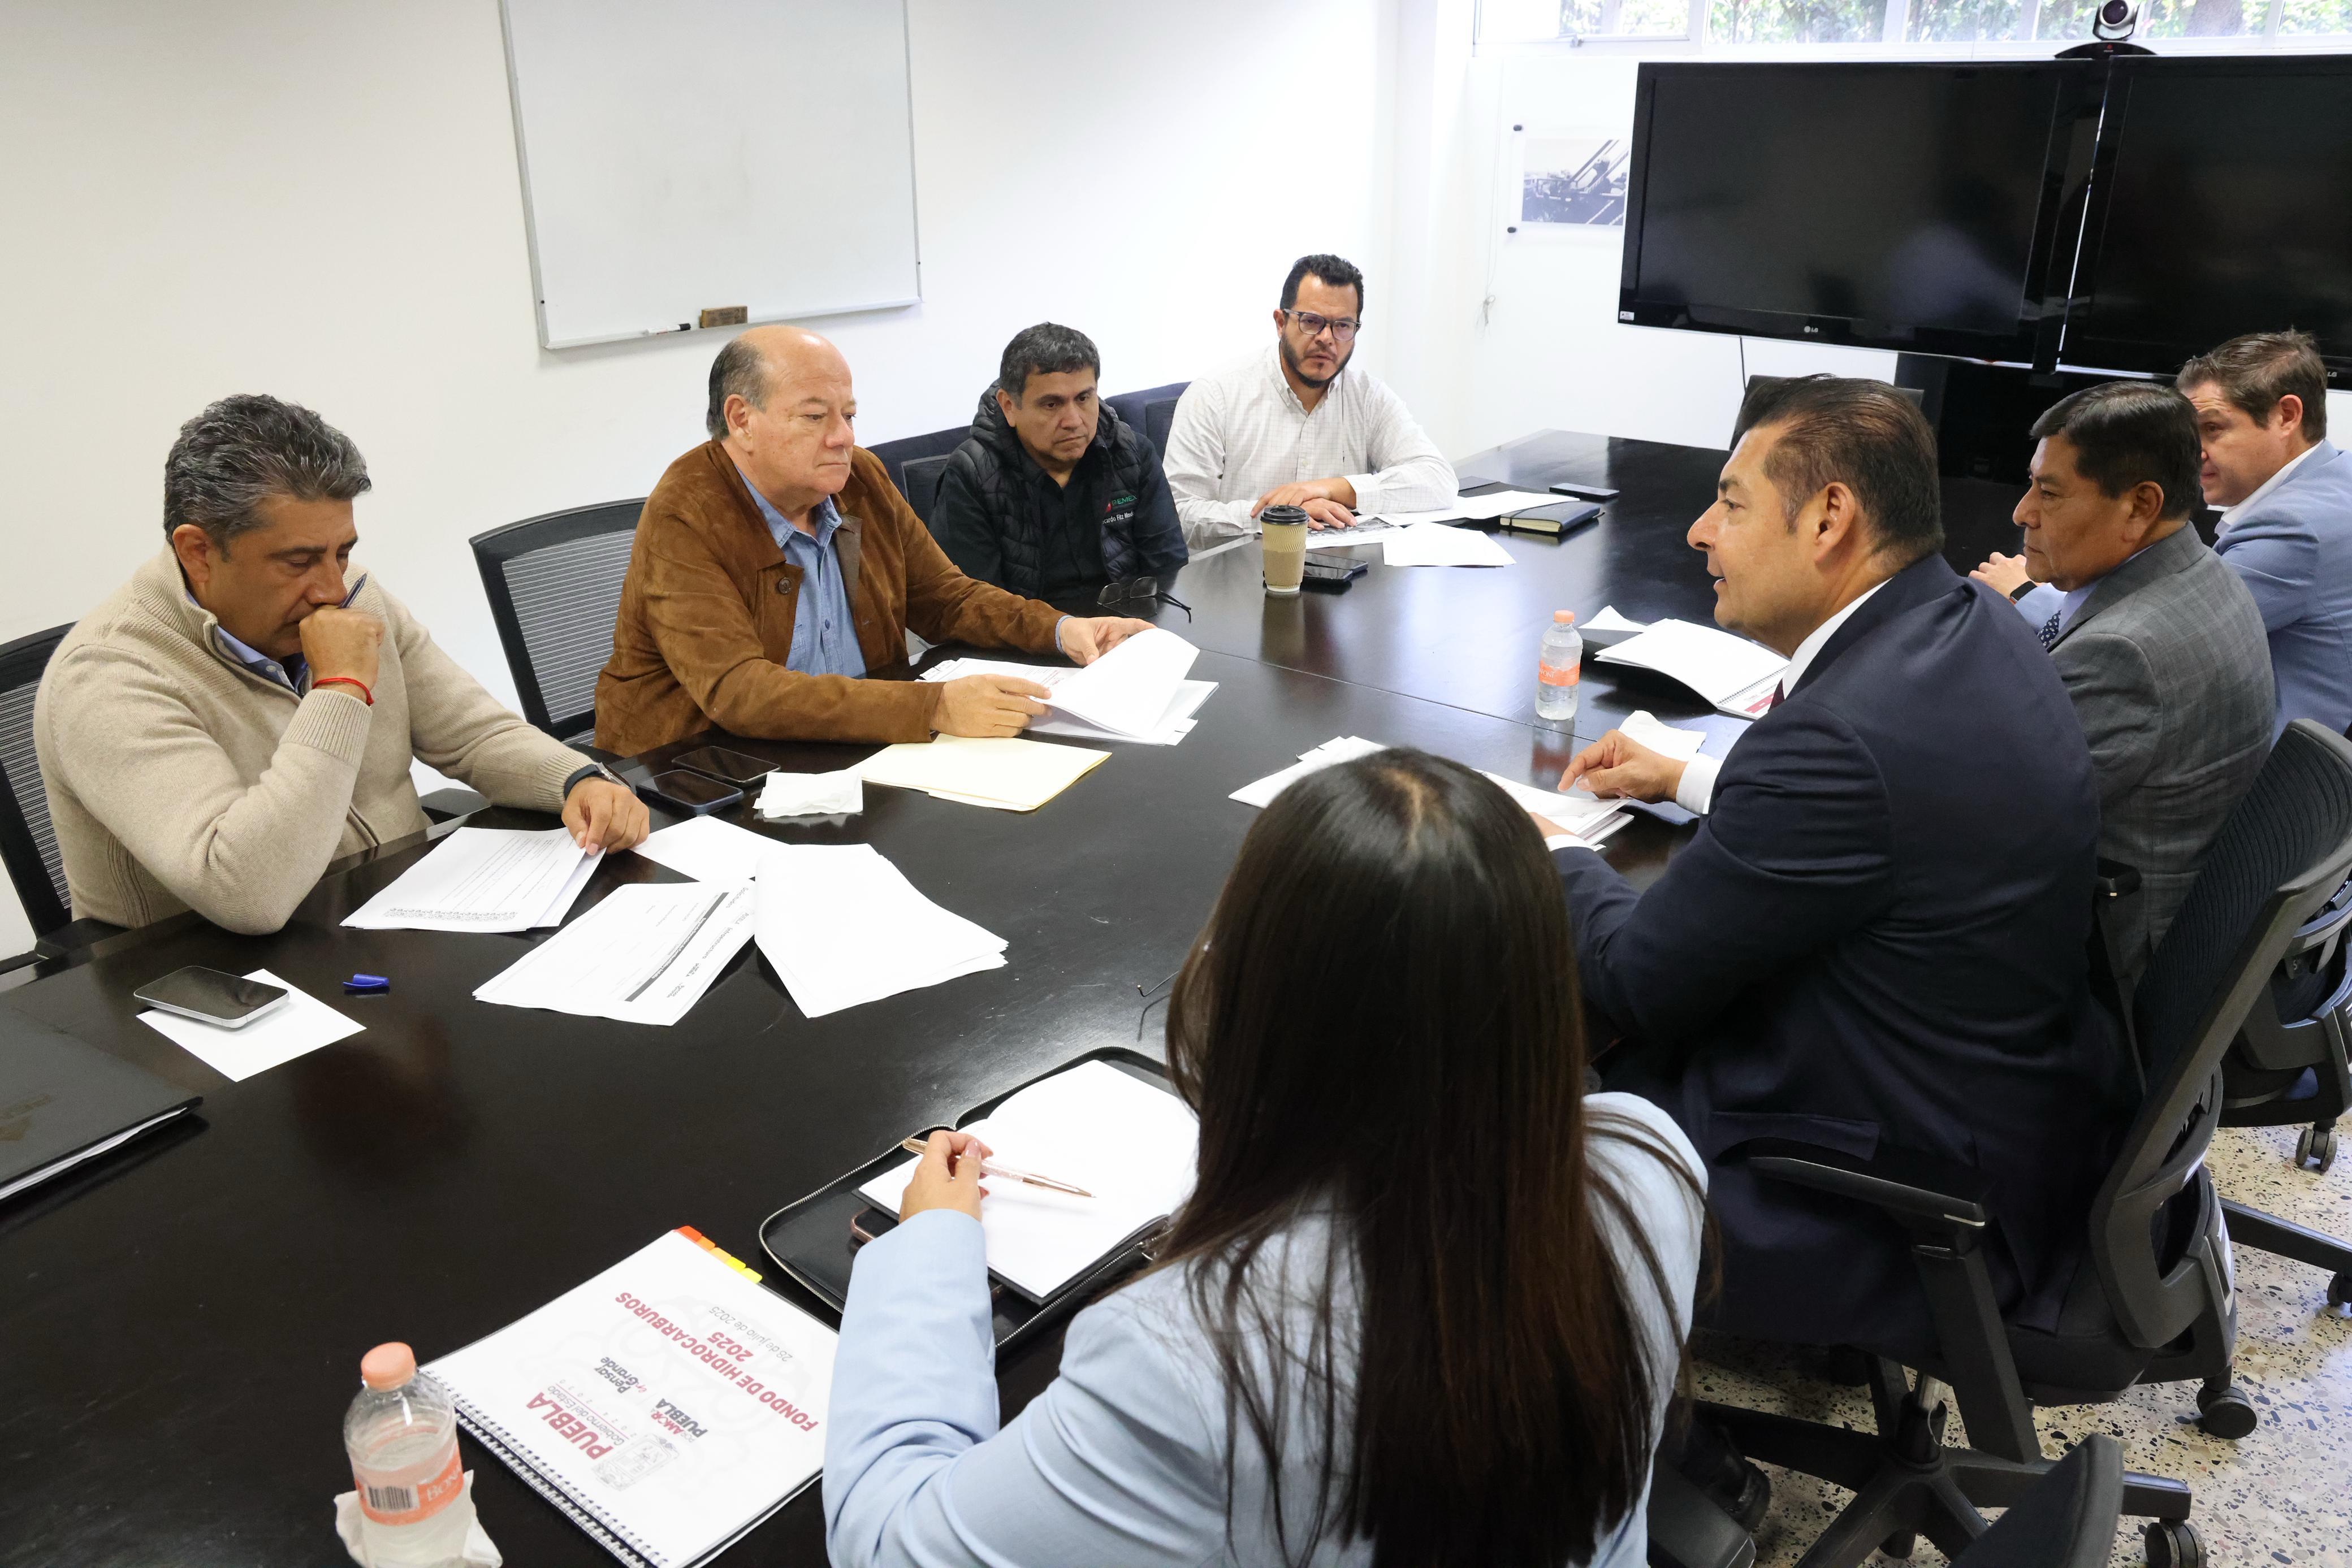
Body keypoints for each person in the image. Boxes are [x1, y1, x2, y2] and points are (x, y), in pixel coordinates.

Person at [824, 750, 1706, 1568]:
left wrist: (931, 1247)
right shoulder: (1654, 1164)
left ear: (1254, 1002)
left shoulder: (1190, 1365)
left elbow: (891, 1541)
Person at [1549, 376, 2128, 1365]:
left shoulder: (1838, 737)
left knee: (1474, 1133)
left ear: (1829, 518)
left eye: (1731, 502)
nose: (1699, 531)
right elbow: (1888, 812)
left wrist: (1555, 848)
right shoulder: (1974, 620)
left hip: (1881, 1189)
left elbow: (1637, 977)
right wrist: (1691, 775)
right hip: (2016, 1114)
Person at [35, 395, 647, 937]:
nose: (332, 588)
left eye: (343, 552)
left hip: (392, 917)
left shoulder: (354, 595)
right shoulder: (109, 676)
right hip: (211, 977)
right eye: (298, 561)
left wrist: (575, 780)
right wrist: (339, 688)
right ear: (199, 552)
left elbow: (473, 734)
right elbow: (244, 892)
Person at [594, 327, 1152, 755]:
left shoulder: (859, 478)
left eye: (848, 415)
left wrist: (1062, 629)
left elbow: (946, 598)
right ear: (741, 419)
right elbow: (740, 692)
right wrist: (934, 706)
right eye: (815, 417)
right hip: (701, 771)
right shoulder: (688, 509)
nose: (844, 437)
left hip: (855, 746)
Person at [1999, 382, 2272, 976]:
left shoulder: (2123, 653)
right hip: (2175, 904)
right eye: (2031, 484)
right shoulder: (2203, 572)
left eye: (2049, 493)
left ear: (2140, 506)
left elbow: (1995, 821)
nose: (2023, 512)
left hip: (2100, 956)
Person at [1978, 331, 2352, 737]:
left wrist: (2026, 594)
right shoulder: (2338, 476)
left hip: (2263, 764)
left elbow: (2159, 635)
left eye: (2212, 428)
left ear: (2287, 416)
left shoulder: (2293, 531)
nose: (2194, 453)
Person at [1163, 253, 1458, 551]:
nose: (1327, 338)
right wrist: (1282, 517)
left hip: (1343, 572)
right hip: (1241, 573)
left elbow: (1438, 480)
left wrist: (1332, 489)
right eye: (1312, 322)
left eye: (1343, 326)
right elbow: (1178, 515)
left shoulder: (1368, 397)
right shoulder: (1216, 396)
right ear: (1281, 323)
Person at [929, 322, 1187, 604]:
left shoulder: (1132, 453)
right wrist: (1064, 628)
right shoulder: (972, 475)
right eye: (1051, 405)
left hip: (1131, 621)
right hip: (1028, 629)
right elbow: (976, 606)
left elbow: (1169, 571)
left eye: (1084, 398)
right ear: (1009, 407)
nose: (1073, 421)